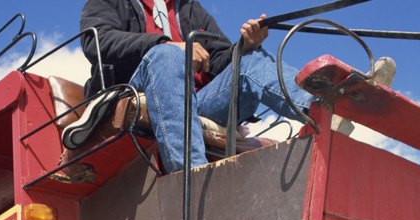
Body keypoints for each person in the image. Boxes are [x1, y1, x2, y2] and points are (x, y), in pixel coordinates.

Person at [73, 0, 313, 173]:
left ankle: (323, 107)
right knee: (166, 56)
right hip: (142, 89)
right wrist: (167, 44)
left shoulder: (190, 8)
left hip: (199, 103)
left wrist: (245, 45)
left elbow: (219, 60)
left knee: (252, 60)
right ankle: (193, 176)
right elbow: (97, 42)